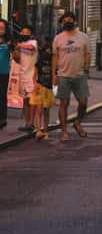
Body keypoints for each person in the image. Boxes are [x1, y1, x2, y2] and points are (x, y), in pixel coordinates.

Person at [52, 11, 91, 142]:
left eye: (70, 20)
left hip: (80, 75)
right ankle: (64, 131)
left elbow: (87, 53)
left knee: (83, 102)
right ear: (62, 23)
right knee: (64, 103)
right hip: (63, 75)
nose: (68, 22)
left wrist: (86, 69)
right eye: (65, 20)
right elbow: (55, 57)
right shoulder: (58, 38)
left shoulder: (83, 37)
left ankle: (78, 122)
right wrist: (54, 74)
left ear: (74, 21)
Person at [13, 24, 38, 132]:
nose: (23, 34)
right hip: (22, 75)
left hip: (31, 76)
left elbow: (31, 48)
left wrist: (19, 46)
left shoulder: (33, 42)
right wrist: (16, 51)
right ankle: (27, 123)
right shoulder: (21, 44)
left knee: (32, 100)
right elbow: (17, 58)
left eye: (26, 32)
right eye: (22, 32)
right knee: (25, 101)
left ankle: (32, 123)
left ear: (31, 34)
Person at [30, 39, 55, 141]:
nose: (47, 53)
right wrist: (35, 84)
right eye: (46, 51)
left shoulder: (53, 64)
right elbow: (34, 76)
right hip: (40, 87)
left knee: (46, 111)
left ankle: (45, 130)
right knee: (39, 109)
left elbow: (55, 75)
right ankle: (38, 130)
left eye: (49, 51)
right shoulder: (39, 63)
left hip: (48, 88)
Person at [0, 19, 13, 129]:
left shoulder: (8, 41)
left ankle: (2, 119)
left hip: (3, 72)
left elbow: (16, 55)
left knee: (2, 95)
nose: (0, 30)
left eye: (2, 28)